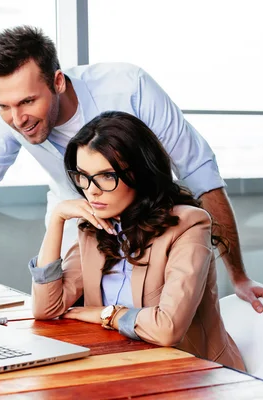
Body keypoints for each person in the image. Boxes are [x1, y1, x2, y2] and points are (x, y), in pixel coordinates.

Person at [0, 25, 263, 313]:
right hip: (80, 224)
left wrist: (240, 276)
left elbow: (201, 175)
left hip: (153, 221)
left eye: (27, 101)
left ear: (58, 82)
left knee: (155, 321)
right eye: (3, 106)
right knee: (60, 319)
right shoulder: (9, 117)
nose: (17, 119)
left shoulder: (128, 86)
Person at [30, 111, 245, 370]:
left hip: (193, 373)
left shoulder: (190, 225)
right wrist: (57, 219)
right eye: (83, 176)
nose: (92, 190)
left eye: (107, 176)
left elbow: (168, 329)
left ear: (140, 173)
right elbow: (47, 308)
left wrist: (105, 314)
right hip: (120, 362)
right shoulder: (93, 226)